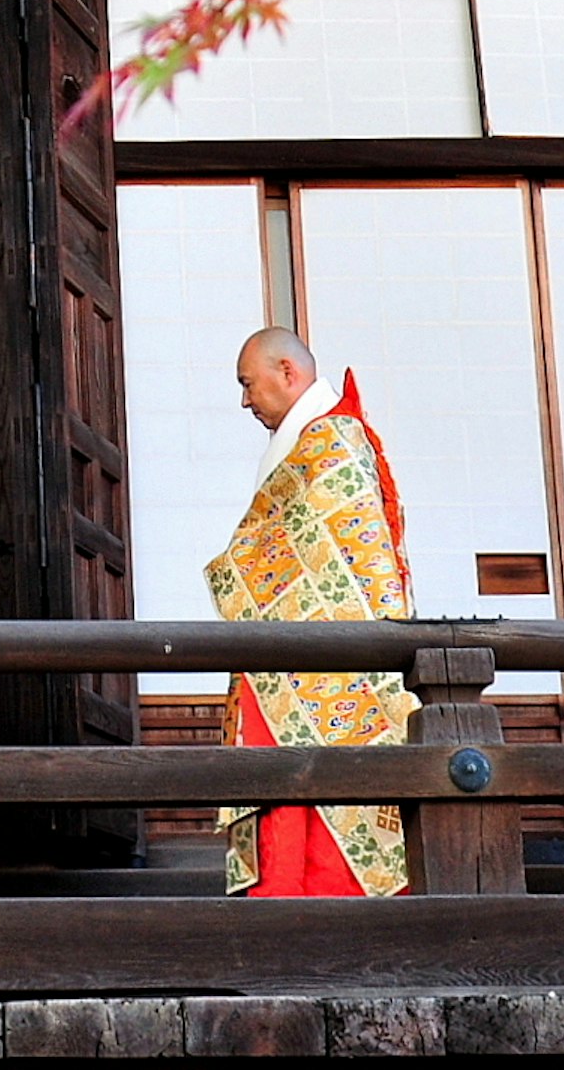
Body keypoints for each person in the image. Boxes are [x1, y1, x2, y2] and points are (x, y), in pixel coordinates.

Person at [203, 328, 417, 897]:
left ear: (287, 373)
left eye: (249, 384)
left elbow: (336, 560)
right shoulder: (318, 440)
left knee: (320, 804)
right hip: (292, 653)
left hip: (333, 661)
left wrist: (240, 573)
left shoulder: (332, 444)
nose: (246, 401)